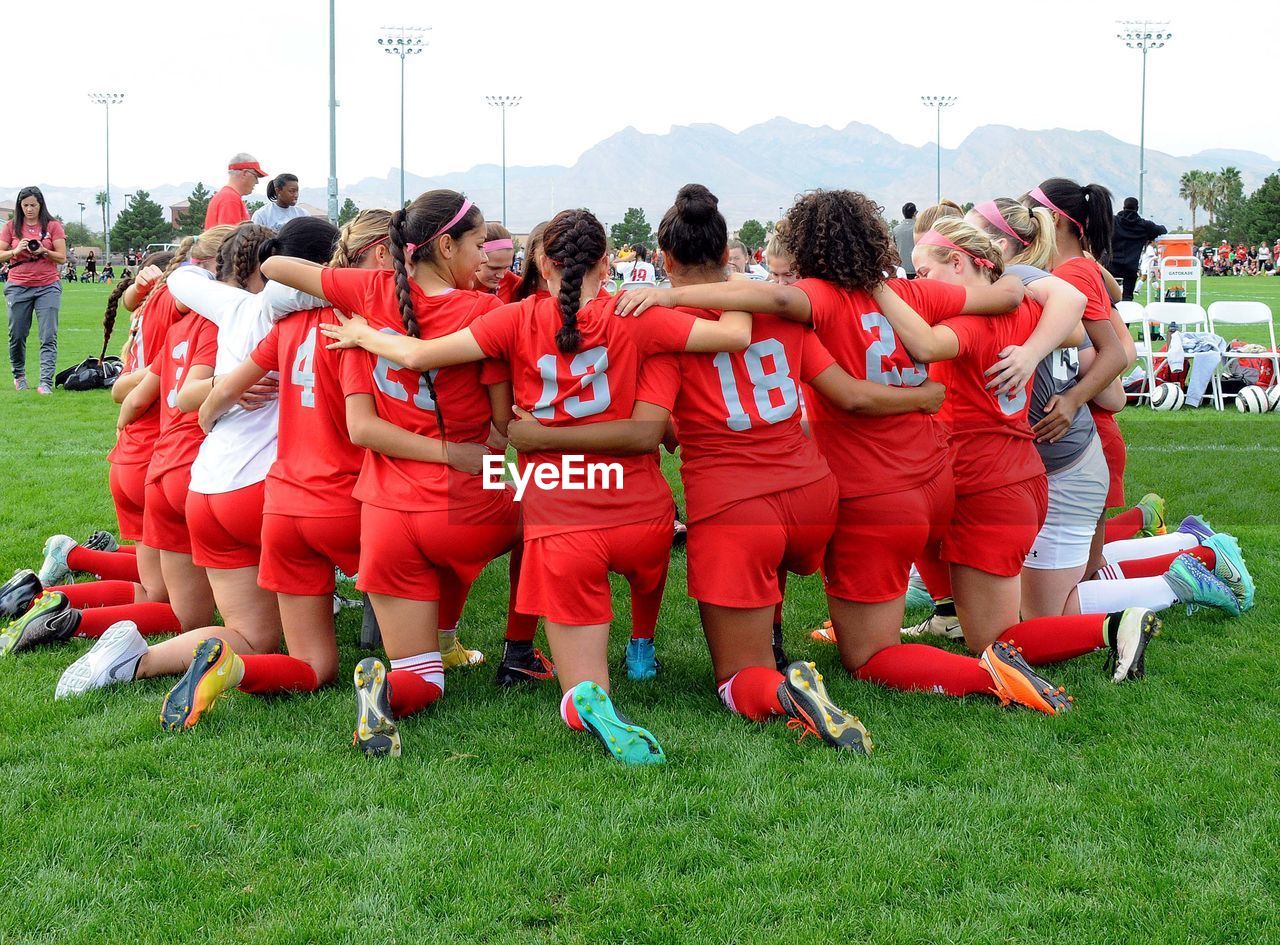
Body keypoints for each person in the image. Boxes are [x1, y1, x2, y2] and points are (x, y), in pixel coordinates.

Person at [316, 205, 762, 764]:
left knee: (439, 663)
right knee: (576, 539)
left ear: (540, 263)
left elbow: (416, 357)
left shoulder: (509, 317)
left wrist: (365, 333)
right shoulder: (637, 315)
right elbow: (735, 336)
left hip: (453, 501)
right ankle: (586, 648)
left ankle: (422, 678)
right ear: (607, 261)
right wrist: (691, 289)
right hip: (629, 501)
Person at [1, 186, 67, 393]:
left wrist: (44, 250)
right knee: (17, 334)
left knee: (48, 335)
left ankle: (45, 381)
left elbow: (62, 257)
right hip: (18, 286)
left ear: (40, 205)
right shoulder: (11, 227)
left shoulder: (53, 226)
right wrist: (15, 249)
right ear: (20, 206)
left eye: (33, 205)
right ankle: (19, 375)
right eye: (25, 205)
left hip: (47, 286)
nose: (29, 209)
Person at [1108, 197, 1166, 301]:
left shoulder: (1113, 221)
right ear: (1137, 208)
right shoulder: (1144, 225)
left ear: (1123, 207)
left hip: (1112, 265)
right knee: (1128, 298)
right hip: (1130, 267)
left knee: (1108, 297)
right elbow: (1162, 229)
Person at [205, 153, 267, 228]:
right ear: (245, 173)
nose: (257, 182)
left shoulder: (225, 195)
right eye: (256, 176)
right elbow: (231, 237)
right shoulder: (230, 199)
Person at [474, 222, 520, 301]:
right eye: (494, 268)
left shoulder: (511, 281)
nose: (501, 276)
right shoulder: (455, 287)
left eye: (506, 267)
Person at [892, 203, 917, 278]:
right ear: (915, 213)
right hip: (916, 268)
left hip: (901, 269)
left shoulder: (895, 230)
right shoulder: (919, 229)